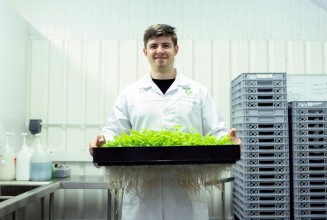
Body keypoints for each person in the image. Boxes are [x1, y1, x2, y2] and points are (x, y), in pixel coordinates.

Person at [89, 24, 241, 220]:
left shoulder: (196, 92)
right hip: (142, 194)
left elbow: (215, 132)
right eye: (153, 46)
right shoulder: (130, 93)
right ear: (145, 52)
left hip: (185, 192)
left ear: (176, 50)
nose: (160, 51)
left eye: (166, 45)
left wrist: (228, 141)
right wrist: (102, 141)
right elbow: (114, 131)